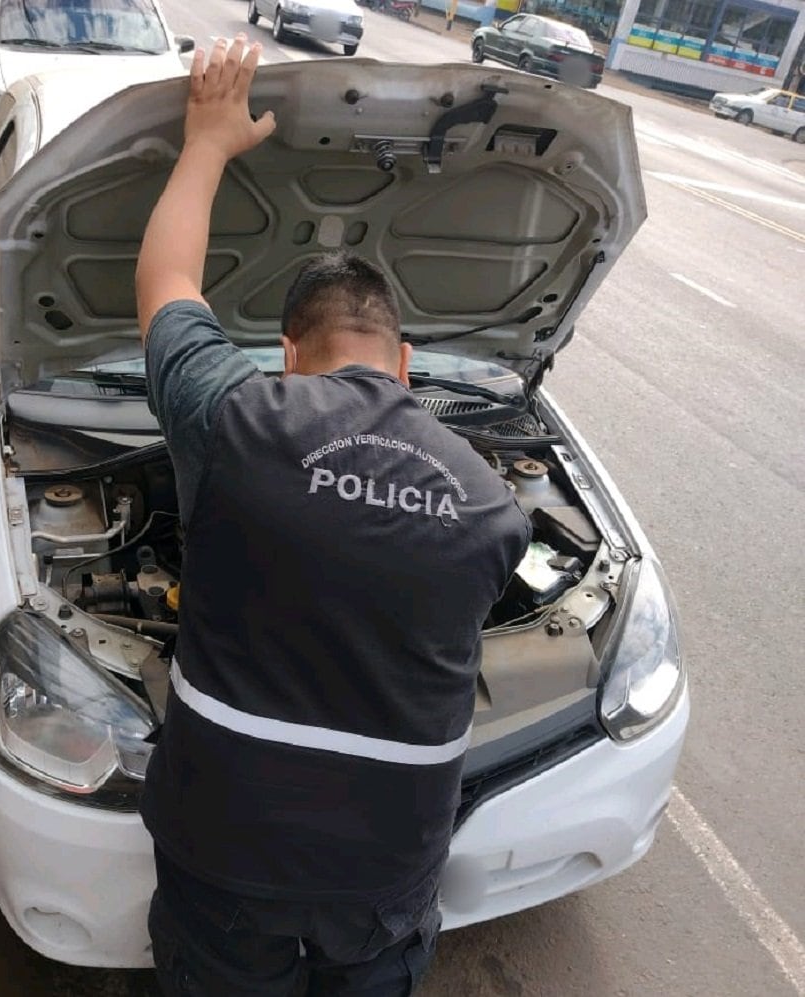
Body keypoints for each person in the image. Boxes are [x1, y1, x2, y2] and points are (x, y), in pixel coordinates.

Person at [134, 36, 531, 996]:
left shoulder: (239, 417)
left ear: (285, 355)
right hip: (386, 873)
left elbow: (166, 286)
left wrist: (208, 142)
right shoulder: (491, 503)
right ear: (405, 365)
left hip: (227, 846)